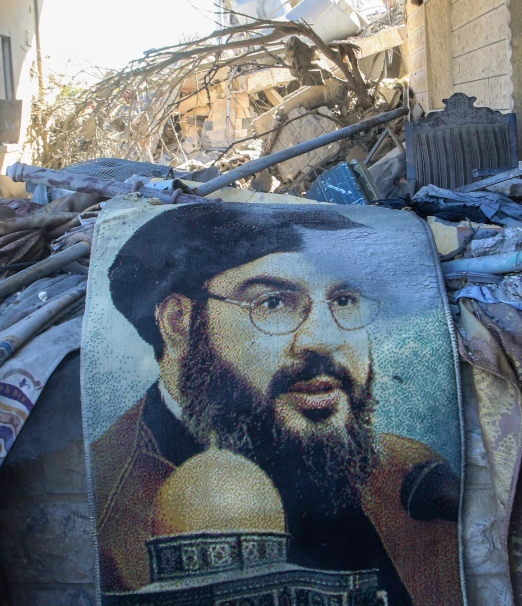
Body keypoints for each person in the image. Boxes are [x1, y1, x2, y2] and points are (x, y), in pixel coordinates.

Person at [92, 204, 460, 606]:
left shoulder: (411, 476)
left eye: (344, 300)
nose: (325, 339)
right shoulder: (105, 504)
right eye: (272, 303)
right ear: (178, 322)